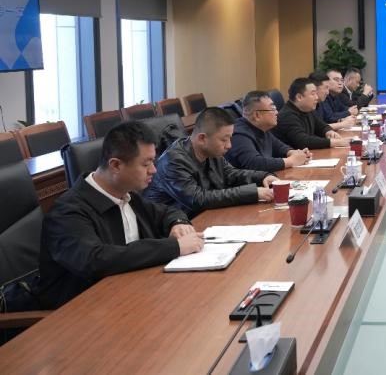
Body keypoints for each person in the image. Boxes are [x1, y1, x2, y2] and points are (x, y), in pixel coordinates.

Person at [39, 122, 204, 308]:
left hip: (134, 294)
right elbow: (96, 260)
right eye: (146, 163)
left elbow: (166, 211)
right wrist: (174, 247)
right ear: (116, 165)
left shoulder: (126, 194)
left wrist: (178, 222)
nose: (154, 170)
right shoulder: (66, 212)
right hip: (83, 310)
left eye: (153, 161)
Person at [145, 107, 278, 217]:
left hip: (205, 216)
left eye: (230, 138)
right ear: (202, 138)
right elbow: (198, 199)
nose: (229, 145)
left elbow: (231, 174)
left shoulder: (211, 151)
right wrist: (253, 192)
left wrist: (263, 176)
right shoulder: (173, 161)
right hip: (175, 227)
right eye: (224, 140)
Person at [225, 90, 311, 172]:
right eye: (272, 109)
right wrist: (291, 161)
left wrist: (295, 153)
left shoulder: (262, 128)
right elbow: (254, 163)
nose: (277, 112)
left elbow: (280, 147)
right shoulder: (238, 134)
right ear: (257, 115)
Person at [275, 77, 351, 149]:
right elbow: (303, 141)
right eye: (313, 94)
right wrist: (335, 142)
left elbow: (321, 126)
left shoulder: (307, 109)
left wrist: (329, 132)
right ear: (299, 97)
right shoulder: (287, 116)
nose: (316, 97)